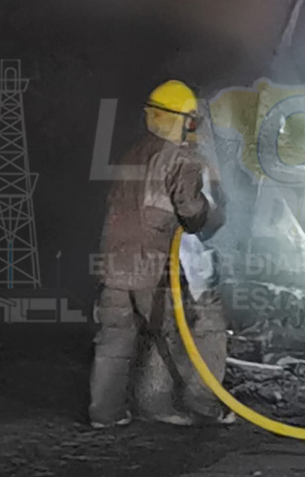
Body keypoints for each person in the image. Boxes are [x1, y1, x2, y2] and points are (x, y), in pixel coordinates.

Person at [88, 80, 231, 428]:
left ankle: (104, 414)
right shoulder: (183, 159)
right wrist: (206, 217)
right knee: (180, 335)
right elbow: (190, 210)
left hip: (113, 262)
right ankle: (193, 405)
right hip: (151, 267)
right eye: (190, 121)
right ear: (181, 120)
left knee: (113, 341)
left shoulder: (129, 152)